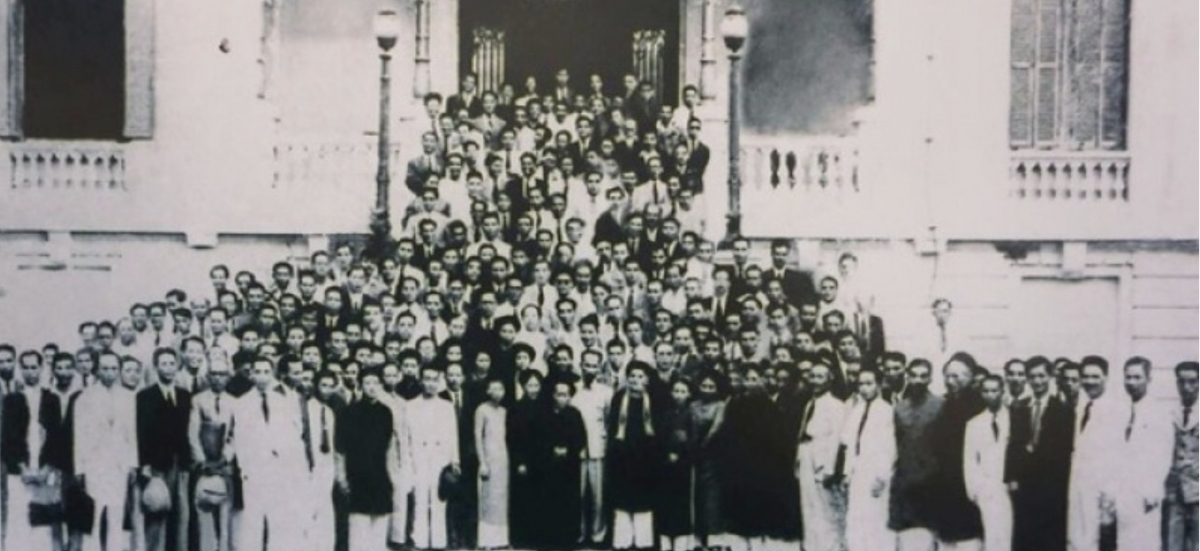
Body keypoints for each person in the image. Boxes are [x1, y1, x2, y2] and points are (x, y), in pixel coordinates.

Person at [228, 355, 308, 551]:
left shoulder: (285, 402)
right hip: (254, 472)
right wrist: (245, 469)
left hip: (279, 472)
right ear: (251, 374)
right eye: (258, 372)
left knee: (280, 523)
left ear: (272, 374)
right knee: (252, 523)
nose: (262, 377)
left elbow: (296, 434)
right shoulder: (242, 403)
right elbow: (239, 440)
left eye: (266, 372)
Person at [1005, 356, 1073, 551]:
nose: (1037, 381)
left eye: (1041, 376)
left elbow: (1063, 452)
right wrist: (1011, 477)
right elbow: (1013, 446)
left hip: (1051, 488)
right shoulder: (1019, 408)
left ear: (1050, 377)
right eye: (1032, 376)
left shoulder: (1063, 410)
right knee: (1024, 538)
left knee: (1049, 539)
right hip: (1024, 488)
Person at [2, 350, 64, 551]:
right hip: (20, 471)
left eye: (34, 367)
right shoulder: (12, 400)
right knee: (18, 518)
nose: (30, 372)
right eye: (26, 368)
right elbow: (8, 439)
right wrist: (22, 469)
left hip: (45, 469)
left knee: (42, 522)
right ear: (21, 370)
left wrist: (47, 468)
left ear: (41, 368)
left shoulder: (51, 399)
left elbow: (56, 437)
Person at [337, 368, 404, 551]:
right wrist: (342, 476)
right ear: (360, 385)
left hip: (380, 474)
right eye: (367, 383)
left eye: (376, 383)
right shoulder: (349, 412)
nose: (372, 387)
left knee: (380, 522)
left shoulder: (385, 412)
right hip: (357, 475)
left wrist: (393, 475)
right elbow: (341, 449)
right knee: (359, 523)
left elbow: (389, 446)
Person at [1112, 357, 1173, 551]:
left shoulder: (1158, 411)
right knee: (1123, 542)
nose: (1131, 382)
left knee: (1144, 541)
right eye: (1128, 377)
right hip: (1122, 490)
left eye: (1137, 377)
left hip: (1145, 492)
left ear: (1149, 379)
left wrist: (1152, 490)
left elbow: (1163, 453)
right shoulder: (1121, 410)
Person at [136, 347, 193, 551]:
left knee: (181, 515)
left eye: (172, 364)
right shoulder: (145, 397)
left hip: (181, 464)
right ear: (156, 367)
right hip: (157, 465)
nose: (168, 368)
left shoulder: (185, 396)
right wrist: (145, 466)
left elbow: (189, 431)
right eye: (164, 364)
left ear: (177, 366)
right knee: (157, 512)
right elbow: (141, 434)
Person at [1067, 356, 1122, 551]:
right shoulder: (1082, 407)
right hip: (1079, 484)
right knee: (1077, 539)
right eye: (1085, 376)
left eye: (1095, 376)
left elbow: (1115, 455)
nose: (1089, 381)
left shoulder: (1115, 410)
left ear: (1106, 377)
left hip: (1101, 489)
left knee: (1095, 541)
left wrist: (1109, 498)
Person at [930, 353, 984, 550]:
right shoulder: (942, 406)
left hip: (969, 487)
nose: (950, 381)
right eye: (947, 376)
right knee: (946, 541)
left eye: (957, 376)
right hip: (945, 486)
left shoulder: (980, 405)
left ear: (970, 377)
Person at [839, 368, 896, 551]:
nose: (864, 388)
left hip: (876, 475)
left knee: (877, 522)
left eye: (869, 383)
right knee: (857, 522)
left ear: (879, 385)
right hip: (858, 474)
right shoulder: (856, 410)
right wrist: (847, 473)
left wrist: (882, 477)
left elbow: (890, 449)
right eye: (861, 384)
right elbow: (850, 446)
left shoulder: (887, 411)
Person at [889, 358, 943, 551]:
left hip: (931, 481)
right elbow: (894, 443)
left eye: (923, 376)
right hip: (905, 480)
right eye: (913, 375)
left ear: (930, 378)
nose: (918, 380)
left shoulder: (940, 406)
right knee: (906, 537)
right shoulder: (899, 408)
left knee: (930, 536)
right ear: (907, 377)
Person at [607, 362, 661, 551]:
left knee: (643, 502)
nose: (636, 380)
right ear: (627, 378)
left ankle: (643, 542)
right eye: (632, 376)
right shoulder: (619, 398)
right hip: (623, 457)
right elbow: (613, 427)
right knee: (622, 500)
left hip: (646, 459)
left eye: (640, 376)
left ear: (646, 379)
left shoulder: (653, 399)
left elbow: (658, 430)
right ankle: (623, 542)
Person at [406, 365, 460, 550]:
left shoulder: (446, 406)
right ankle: (419, 540)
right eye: (427, 379)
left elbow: (453, 435)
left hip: (440, 457)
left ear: (440, 381)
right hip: (419, 455)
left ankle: (439, 541)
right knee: (420, 499)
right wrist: (409, 461)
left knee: (439, 500)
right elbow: (407, 436)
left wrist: (455, 460)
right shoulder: (411, 405)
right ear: (421, 381)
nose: (430, 383)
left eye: (434, 379)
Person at [795, 361, 846, 551]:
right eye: (812, 376)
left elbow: (836, 439)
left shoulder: (836, 405)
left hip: (822, 464)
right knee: (809, 510)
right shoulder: (810, 403)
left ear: (829, 379)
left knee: (827, 512)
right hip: (807, 459)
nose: (815, 381)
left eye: (820, 377)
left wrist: (829, 469)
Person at [186, 353, 235, 551]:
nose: (218, 378)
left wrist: (225, 458)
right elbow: (192, 432)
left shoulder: (235, 402)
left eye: (222, 374)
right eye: (214, 374)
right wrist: (202, 461)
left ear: (228, 377)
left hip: (224, 466)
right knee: (203, 513)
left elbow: (235, 433)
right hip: (203, 466)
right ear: (207, 376)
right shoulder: (198, 400)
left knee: (225, 517)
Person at [962, 375, 1010, 551]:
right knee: (991, 537)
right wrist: (975, 490)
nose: (991, 395)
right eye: (986, 391)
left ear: (1002, 391)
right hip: (986, 490)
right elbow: (969, 460)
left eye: (994, 390)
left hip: (1008, 487)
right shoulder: (974, 424)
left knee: (1009, 536)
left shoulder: (1014, 418)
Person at [539, 379, 587, 549]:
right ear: (553, 395)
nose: (561, 398)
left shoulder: (575, 414)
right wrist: (552, 449)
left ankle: (568, 540)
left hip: (569, 466)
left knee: (570, 502)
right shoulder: (544, 414)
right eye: (558, 394)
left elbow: (581, 438)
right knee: (549, 501)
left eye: (565, 395)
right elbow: (539, 437)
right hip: (549, 466)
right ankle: (550, 540)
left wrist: (568, 450)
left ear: (570, 397)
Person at [573, 349, 613, 546]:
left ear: (599, 368)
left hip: (598, 448)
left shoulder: (606, 392)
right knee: (578, 495)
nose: (590, 369)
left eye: (594, 366)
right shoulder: (573, 390)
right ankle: (579, 534)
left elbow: (609, 421)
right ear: (580, 366)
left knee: (598, 496)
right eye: (586, 365)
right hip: (577, 451)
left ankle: (598, 535)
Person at [506, 370, 545, 549]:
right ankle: (521, 538)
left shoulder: (545, 406)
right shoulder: (516, 408)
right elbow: (513, 438)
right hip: (523, 460)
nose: (534, 389)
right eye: (530, 385)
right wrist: (519, 461)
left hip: (541, 460)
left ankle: (538, 536)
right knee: (522, 499)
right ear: (523, 386)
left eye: (537, 385)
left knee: (540, 498)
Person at [1165, 361, 1199, 551]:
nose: (1187, 388)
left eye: (1193, 382)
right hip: (1175, 493)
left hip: (1198, 493)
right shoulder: (1169, 413)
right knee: (1173, 544)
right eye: (1182, 382)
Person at [658, 379, 693, 551]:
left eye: (683, 391)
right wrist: (668, 453)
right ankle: (665, 542)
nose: (678, 395)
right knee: (666, 503)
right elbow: (660, 438)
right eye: (676, 391)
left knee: (681, 506)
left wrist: (682, 451)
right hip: (666, 467)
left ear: (689, 394)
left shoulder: (691, 414)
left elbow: (694, 440)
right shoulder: (666, 414)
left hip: (684, 468)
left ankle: (681, 544)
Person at [474, 378, 509, 550]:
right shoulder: (482, 409)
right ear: (487, 391)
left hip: (503, 460)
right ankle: (486, 541)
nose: (498, 392)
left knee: (501, 499)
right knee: (488, 499)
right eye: (493, 388)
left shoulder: (504, 411)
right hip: (488, 459)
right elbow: (477, 436)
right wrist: (482, 462)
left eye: (501, 388)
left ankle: (500, 540)